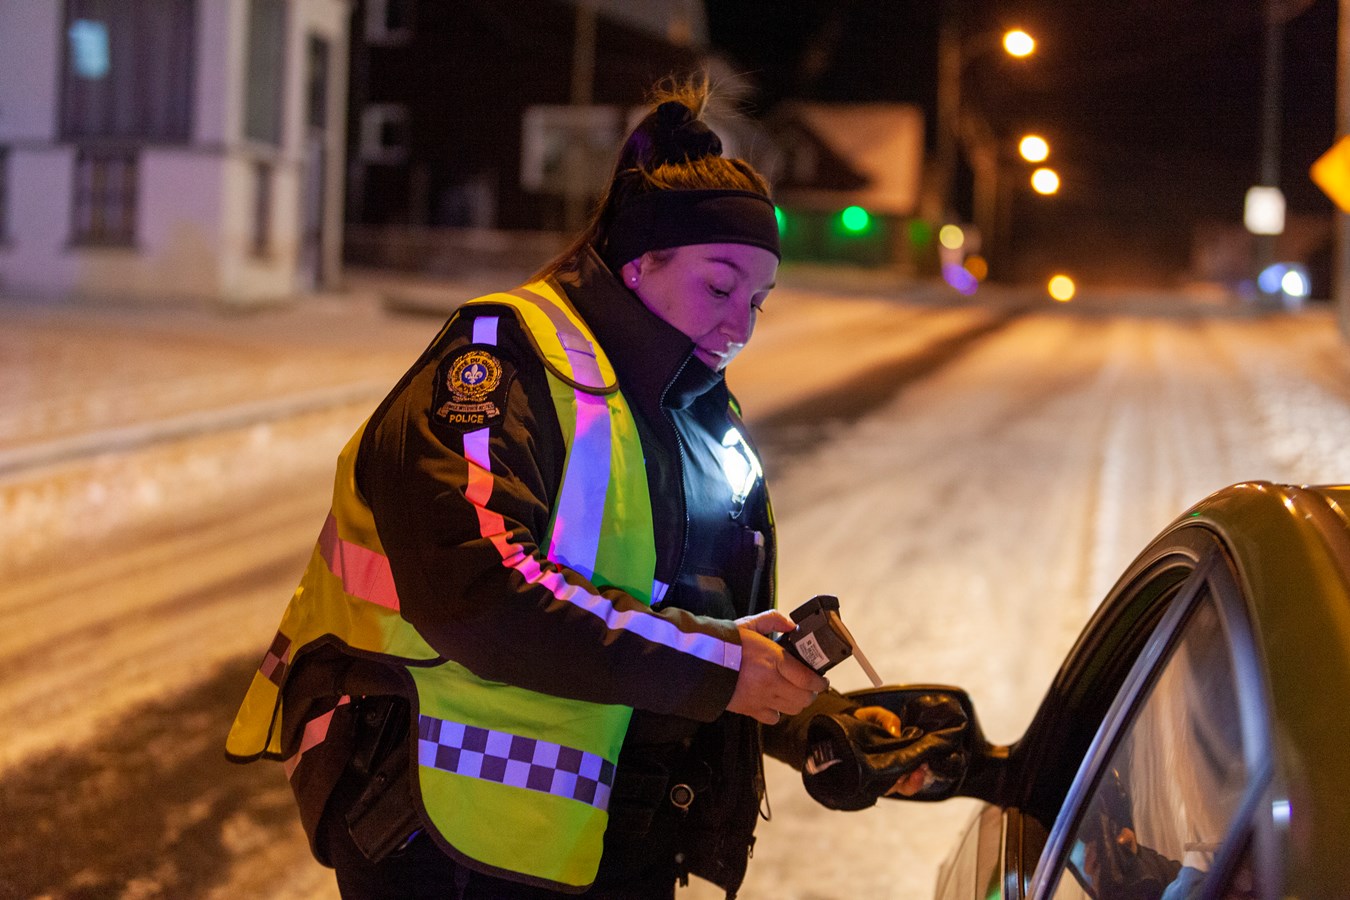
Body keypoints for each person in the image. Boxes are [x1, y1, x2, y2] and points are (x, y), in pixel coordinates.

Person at [226, 77, 958, 899]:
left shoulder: (687, 408)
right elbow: (479, 589)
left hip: (605, 842)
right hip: (444, 840)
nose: (741, 325)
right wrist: (723, 666)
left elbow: (682, 614)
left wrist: (805, 714)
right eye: (720, 286)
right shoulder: (499, 360)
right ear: (640, 262)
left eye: (758, 300)